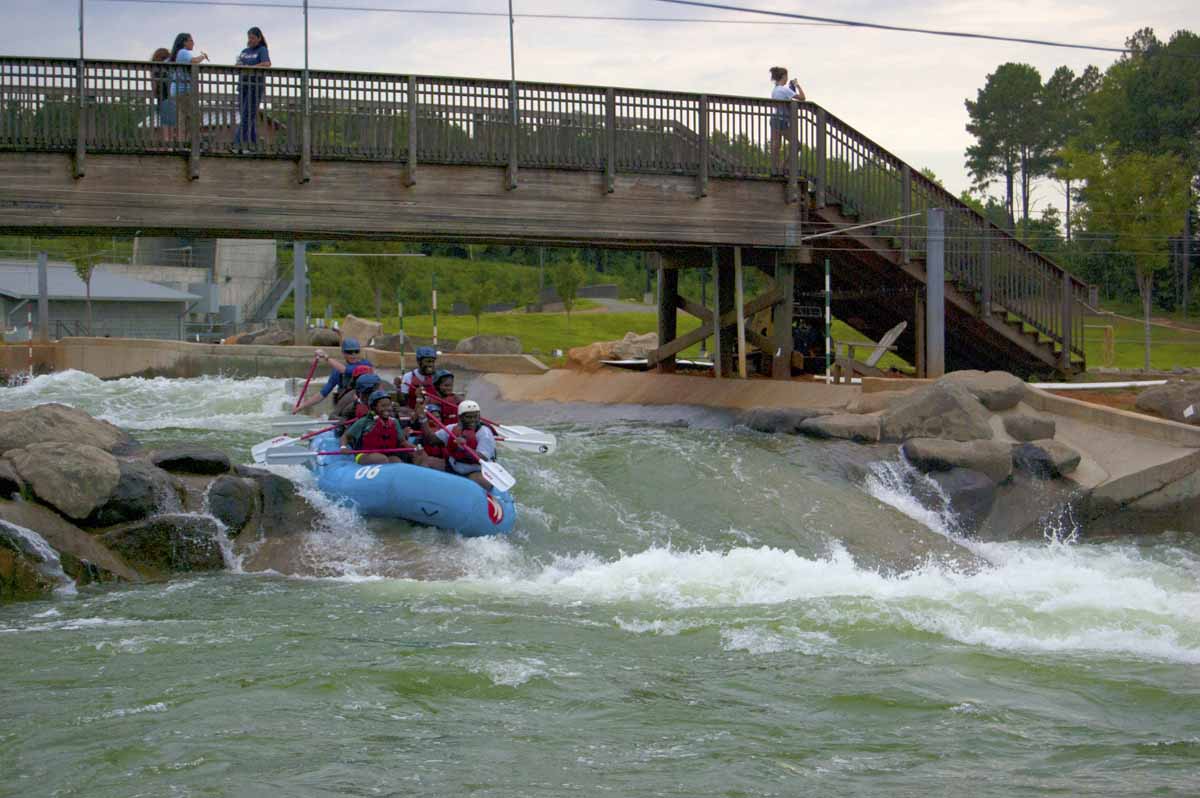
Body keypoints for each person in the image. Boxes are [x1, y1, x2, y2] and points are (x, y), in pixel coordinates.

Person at [293, 337, 374, 414]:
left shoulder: (366, 364)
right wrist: (301, 407)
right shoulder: (337, 371)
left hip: (365, 402)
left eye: (356, 351)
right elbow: (323, 393)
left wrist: (326, 357)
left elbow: (347, 371)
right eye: (349, 352)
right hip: (346, 405)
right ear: (343, 353)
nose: (353, 355)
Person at [431, 399, 498, 490]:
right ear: (460, 418)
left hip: (475, 471)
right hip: (453, 466)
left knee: (482, 482)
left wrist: (465, 448)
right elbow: (432, 440)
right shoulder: (452, 428)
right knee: (428, 463)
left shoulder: (484, 433)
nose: (473, 420)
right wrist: (422, 419)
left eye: (476, 416)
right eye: (469, 417)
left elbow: (482, 457)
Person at [341, 390, 407, 465]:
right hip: (364, 455)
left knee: (396, 461)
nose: (387, 408)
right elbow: (346, 436)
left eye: (389, 405)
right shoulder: (364, 421)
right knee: (381, 459)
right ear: (374, 407)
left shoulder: (394, 422)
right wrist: (343, 447)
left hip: (387, 454)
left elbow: (402, 441)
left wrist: (414, 448)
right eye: (383, 406)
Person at [234, 27, 271, 149]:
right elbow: (238, 64)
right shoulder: (244, 51)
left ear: (259, 38)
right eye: (249, 37)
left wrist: (251, 67)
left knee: (247, 115)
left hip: (255, 86)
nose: (250, 40)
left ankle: (238, 143)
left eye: (253, 38)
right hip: (243, 86)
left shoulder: (262, 50)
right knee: (248, 116)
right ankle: (253, 143)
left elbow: (266, 64)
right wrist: (239, 66)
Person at [768, 66, 805, 176]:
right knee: (797, 145)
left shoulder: (775, 90)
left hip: (774, 119)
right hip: (782, 120)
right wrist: (797, 85)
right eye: (786, 76)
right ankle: (782, 166)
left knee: (776, 145)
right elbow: (802, 97)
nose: (786, 78)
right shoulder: (784, 89)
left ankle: (775, 169)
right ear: (783, 76)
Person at [169, 33, 209, 135]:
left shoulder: (178, 53)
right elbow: (194, 61)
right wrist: (203, 56)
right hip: (183, 91)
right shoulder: (183, 52)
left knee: (184, 118)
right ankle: (192, 143)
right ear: (184, 42)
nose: (193, 43)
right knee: (194, 116)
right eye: (191, 41)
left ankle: (184, 143)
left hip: (177, 90)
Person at [396, 346, 438, 411]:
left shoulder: (437, 377)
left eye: (433, 362)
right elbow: (403, 402)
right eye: (428, 361)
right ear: (418, 361)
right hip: (413, 412)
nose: (431, 364)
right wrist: (398, 387)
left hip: (434, 413)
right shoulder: (408, 377)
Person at [150, 48, 173, 136]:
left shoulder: (154, 69)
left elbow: (154, 86)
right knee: (173, 122)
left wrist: (155, 94)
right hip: (172, 95)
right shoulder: (170, 67)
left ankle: (168, 144)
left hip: (162, 96)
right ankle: (174, 143)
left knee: (165, 123)